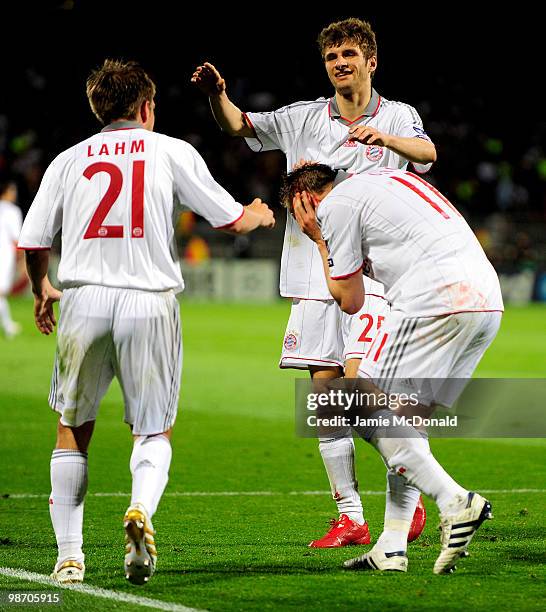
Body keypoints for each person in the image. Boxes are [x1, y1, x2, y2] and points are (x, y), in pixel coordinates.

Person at [18, 59, 274, 586]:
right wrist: (259, 211)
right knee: (153, 429)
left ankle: (69, 556)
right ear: (146, 107)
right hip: (149, 301)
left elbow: (35, 240)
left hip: (84, 301)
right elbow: (230, 220)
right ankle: (139, 510)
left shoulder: (68, 160)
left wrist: (44, 287)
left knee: (72, 429)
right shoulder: (171, 151)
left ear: (99, 108)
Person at [192, 17, 436, 547]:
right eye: (331, 57)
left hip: (377, 279)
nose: (340, 63)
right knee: (325, 397)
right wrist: (219, 96)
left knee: (376, 395)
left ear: (371, 61)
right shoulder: (302, 118)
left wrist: (386, 137)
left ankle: (414, 493)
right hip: (312, 276)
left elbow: (428, 154)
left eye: (349, 54)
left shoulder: (399, 116)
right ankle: (350, 515)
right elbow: (238, 126)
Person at [283, 162, 502, 573]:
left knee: (351, 404)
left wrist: (319, 241)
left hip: (436, 299)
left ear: (305, 202)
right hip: (486, 300)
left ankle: (456, 500)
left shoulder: (338, 206)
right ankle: (392, 545)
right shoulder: (391, 180)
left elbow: (349, 299)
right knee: (407, 422)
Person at [0, 175, 23, 338]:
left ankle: (8, 325)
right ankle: (8, 327)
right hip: (4, 254)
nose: (14, 193)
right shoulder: (13, 211)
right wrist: (23, 259)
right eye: (12, 189)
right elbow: (17, 239)